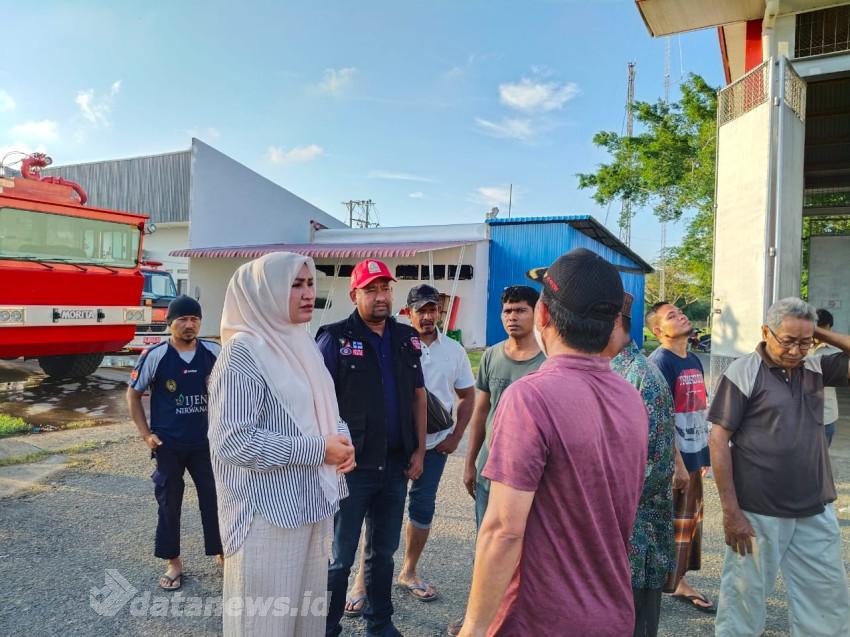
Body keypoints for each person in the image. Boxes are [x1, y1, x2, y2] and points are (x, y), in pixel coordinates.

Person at [459, 248, 648, 637]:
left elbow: (503, 530)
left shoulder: (531, 397)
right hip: (612, 613)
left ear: (542, 315)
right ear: (615, 322)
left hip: (539, 619)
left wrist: (473, 629)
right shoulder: (630, 397)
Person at [207, 253, 355, 636]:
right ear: (265, 292)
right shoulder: (242, 353)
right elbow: (232, 440)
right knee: (263, 624)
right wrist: (318, 450)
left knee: (306, 623)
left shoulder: (301, 343)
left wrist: (343, 440)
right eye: (295, 285)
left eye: (310, 283)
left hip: (311, 504)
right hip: (267, 515)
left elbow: (323, 410)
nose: (308, 294)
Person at [709, 297, 850, 637]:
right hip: (758, 510)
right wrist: (731, 513)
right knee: (743, 600)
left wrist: (813, 331)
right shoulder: (743, 371)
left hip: (814, 507)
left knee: (827, 599)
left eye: (805, 342)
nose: (796, 351)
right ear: (766, 332)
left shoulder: (815, 367)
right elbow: (718, 440)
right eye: (788, 340)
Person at [344, 284, 475, 615]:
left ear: (440, 313)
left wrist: (456, 436)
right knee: (378, 510)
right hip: (396, 444)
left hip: (435, 445)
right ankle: (361, 581)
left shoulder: (455, 351)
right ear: (409, 312)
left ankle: (409, 571)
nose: (428, 316)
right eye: (421, 310)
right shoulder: (396, 343)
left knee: (422, 507)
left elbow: (468, 395)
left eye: (433, 310)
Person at [317, 258, 427, 637]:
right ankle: (326, 627)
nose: (381, 297)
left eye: (385, 289)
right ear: (354, 295)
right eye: (371, 290)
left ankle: (379, 623)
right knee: (340, 557)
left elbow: (418, 396)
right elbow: (316, 402)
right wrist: (327, 452)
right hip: (352, 469)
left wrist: (419, 452)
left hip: (394, 467)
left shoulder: (405, 337)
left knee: (383, 553)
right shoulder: (334, 339)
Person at [448, 284, 545, 637]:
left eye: (520, 310)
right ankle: (480, 619)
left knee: (528, 550)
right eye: (507, 311)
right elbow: (481, 411)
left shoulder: (547, 360)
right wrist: (470, 462)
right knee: (487, 547)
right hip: (491, 469)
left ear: (537, 313)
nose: (512, 317)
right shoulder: (491, 356)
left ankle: (522, 620)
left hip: (531, 477)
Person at [126, 294, 223, 592]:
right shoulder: (155, 355)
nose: (189, 324)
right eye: (182, 319)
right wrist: (146, 435)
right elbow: (133, 394)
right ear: (170, 323)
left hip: (206, 443)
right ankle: (174, 562)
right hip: (168, 444)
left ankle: (222, 553)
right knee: (169, 503)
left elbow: (232, 391)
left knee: (215, 499)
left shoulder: (214, 351)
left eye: (194, 319)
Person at [603, 293, 676, 637]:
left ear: (615, 322)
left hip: (634, 542)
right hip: (606, 540)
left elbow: (654, 469)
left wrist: (596, 508)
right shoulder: (606, 371)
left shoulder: (642, 377)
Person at [645, 302, 715, 613]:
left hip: (695, 454)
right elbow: (659, 418)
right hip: (676, 461)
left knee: (690, 523)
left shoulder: (693, 359)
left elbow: (697, 409)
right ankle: (667, 582)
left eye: (680, 312)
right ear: (658, 331)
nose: (681, 316)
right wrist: (676, 464)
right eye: (671, 316)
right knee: (673, 522)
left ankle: (678, 579)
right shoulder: (660, 362)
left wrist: (704, 453)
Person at [813, 308, 841, 446]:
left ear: (830, 328)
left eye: (823, 329)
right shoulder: (799, 347)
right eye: (817, 328)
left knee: (822, 454)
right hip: (799, 415)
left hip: (826, 416)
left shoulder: (836, 350)